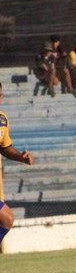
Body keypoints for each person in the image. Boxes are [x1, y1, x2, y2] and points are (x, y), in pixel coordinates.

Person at [0, 80, 35, 249]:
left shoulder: (2, 119)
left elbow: (5, 148)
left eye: (0, 95)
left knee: (7, 219)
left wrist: (21, 157)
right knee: (6, 218)